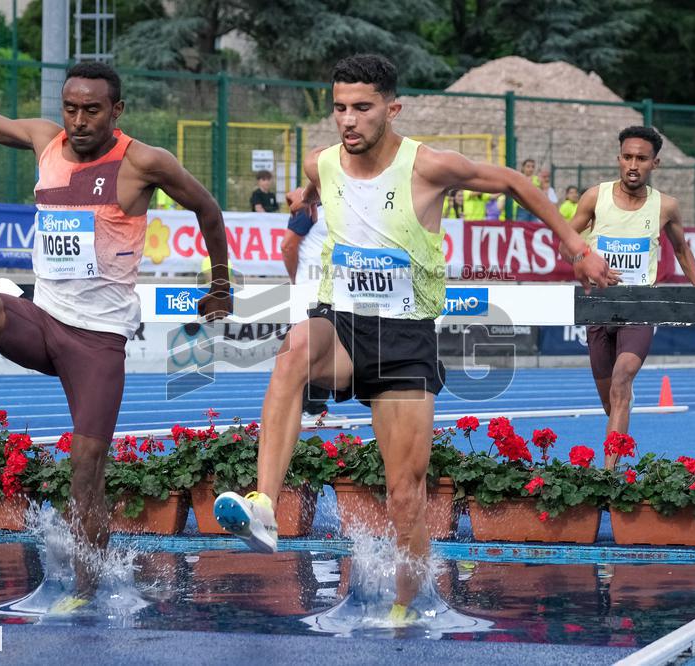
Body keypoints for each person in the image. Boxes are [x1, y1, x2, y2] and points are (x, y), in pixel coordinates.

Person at [212, 54, 609, 622]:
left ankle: (409, 604)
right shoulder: (323, 162)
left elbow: (515, 183)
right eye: (340, 109)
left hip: (404, 337)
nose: (348, 120)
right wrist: (301, 215)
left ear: (392, 109)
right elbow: (312, 190)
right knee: (295, 347)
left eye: (363, 108)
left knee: (405, 493)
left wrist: (578, 250)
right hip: (343, 325)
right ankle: (265, 505)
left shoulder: (427, 166)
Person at [0, 9, 231, 608]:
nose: (78, 120)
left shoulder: (143, 162)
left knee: (85, 475)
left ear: (115, 111)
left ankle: (85, 589)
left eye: (91, 110)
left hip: (97, 342)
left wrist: (220, 284)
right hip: (43, 320)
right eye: (71, 107)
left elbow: (209, 211)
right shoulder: (48, 141)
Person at [568, 126, 695, 469]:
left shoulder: (666, 206)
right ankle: (620, 424)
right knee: (612, 401)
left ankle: (608, 475)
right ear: (618, 159)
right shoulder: (593, 197)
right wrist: (585, 262)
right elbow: (565, 242)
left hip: (640, 307)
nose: (633, 164)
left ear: (654, 164)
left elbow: (683, 250)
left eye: (641, 158)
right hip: (598, 307)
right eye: (627, 157)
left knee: (622, 378)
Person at [280, 187, 336, 421]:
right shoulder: (307, 208)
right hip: (310, 287)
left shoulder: (341, 204)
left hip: (332, 288)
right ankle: (300, 410)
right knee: (306, 350)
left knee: (326, 349)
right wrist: (296, 279)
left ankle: (314, 409)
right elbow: (287, 246)